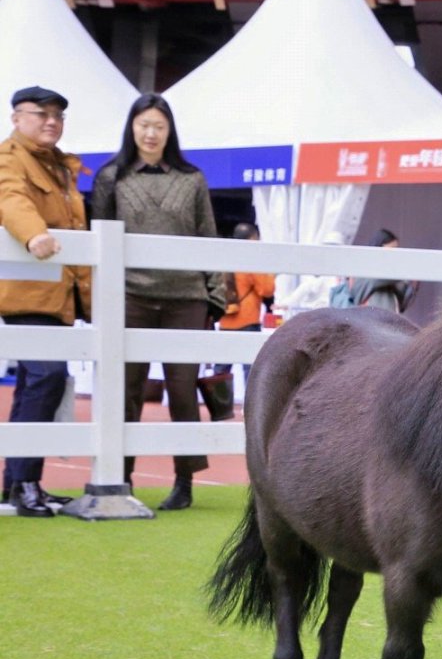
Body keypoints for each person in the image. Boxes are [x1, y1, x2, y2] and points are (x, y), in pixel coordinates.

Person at [90, 93, 224, 512]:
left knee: (183, 391)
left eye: (159, 126)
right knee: (126, 391)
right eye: (143, 124)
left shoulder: (192, 179)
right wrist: (100, 298)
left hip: (186, 298)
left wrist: (215, 295)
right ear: (132, 128)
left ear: (170, 131)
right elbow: (99, 239)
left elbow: (208, 236)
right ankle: (121, 476)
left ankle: (184, 480)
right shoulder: (111, 177)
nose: (151, 133)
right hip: (129, 297)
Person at [0, 86, 90, 517]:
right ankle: (23, 482)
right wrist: (33, 233)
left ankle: (18, 483)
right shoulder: (10, 157)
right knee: (47, 376)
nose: (52, 121)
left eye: (58, 115)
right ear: (17, 118)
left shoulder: (59, 166)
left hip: (57, 293)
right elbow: (10, 198)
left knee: (35, 382)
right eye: (42, 113)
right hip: (27, 291)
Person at [214, 222, 273, 387]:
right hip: (247, 320)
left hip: (225, 320)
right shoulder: (251, 260)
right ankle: (250, 403)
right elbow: (267, 289)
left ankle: (219, 402)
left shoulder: (225, 258)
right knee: (251, 370)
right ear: (253, 238)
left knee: (221, 371)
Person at [341, 228, 417, 312]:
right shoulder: (364, 268)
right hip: (370, 317)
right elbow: (383, 277)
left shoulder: (390, 279)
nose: (395, 255)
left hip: (387, 317)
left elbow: (403, 299)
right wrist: (410, 268)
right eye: (392, 250)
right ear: (378, 248)